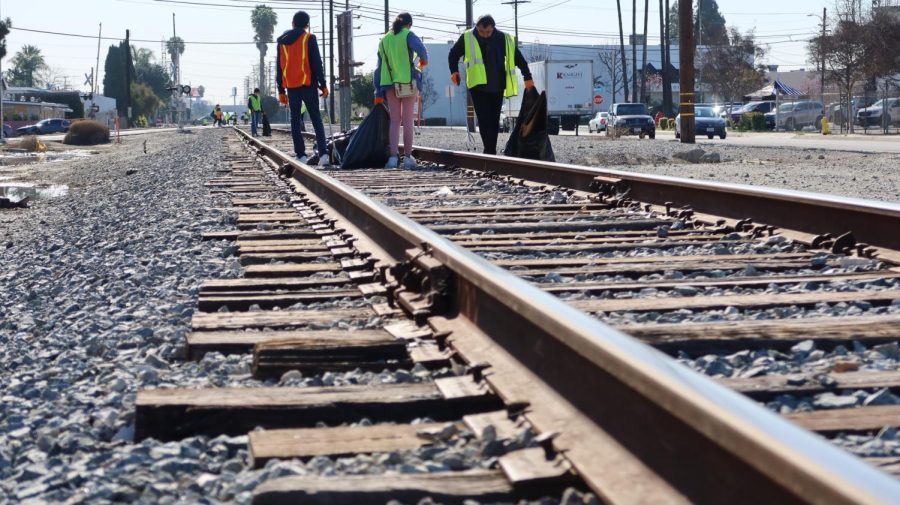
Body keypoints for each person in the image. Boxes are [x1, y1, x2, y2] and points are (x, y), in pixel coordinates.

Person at [447, 14, 534, 155]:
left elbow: (518, 58)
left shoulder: (503, 38)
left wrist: (527, 77)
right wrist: (454, 71)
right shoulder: (467, 37)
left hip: (497, 86)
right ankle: (489, 150)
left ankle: (490, 150)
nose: (485, 35)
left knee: (494, 120)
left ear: (493, 28)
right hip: (477, 86)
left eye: (488, 32)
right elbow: (453, 54)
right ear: (477, 27)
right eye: (481, 31)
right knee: (483, 119)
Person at [374, 12, 428, 169]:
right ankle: (408, 158)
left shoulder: (384, 40)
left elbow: (378, 68)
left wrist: (377, 91)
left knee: (395, 120)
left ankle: (392, 158)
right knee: (408, 120)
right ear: (409, 24)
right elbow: (422, 51)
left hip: (388, 83)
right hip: (407, 82)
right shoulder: (408, 34)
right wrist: (423, 61)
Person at [276, 10, 330, 166]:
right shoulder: (309, 38)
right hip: (308, 84)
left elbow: (279, 67)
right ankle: (324, 155)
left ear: (293, 24)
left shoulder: (282, 42)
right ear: (307, 25)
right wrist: (323, 85)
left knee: (295, 120)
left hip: (291, 86)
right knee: (315, 119)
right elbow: (316, 63)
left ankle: (300, 156)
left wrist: (280, 89)